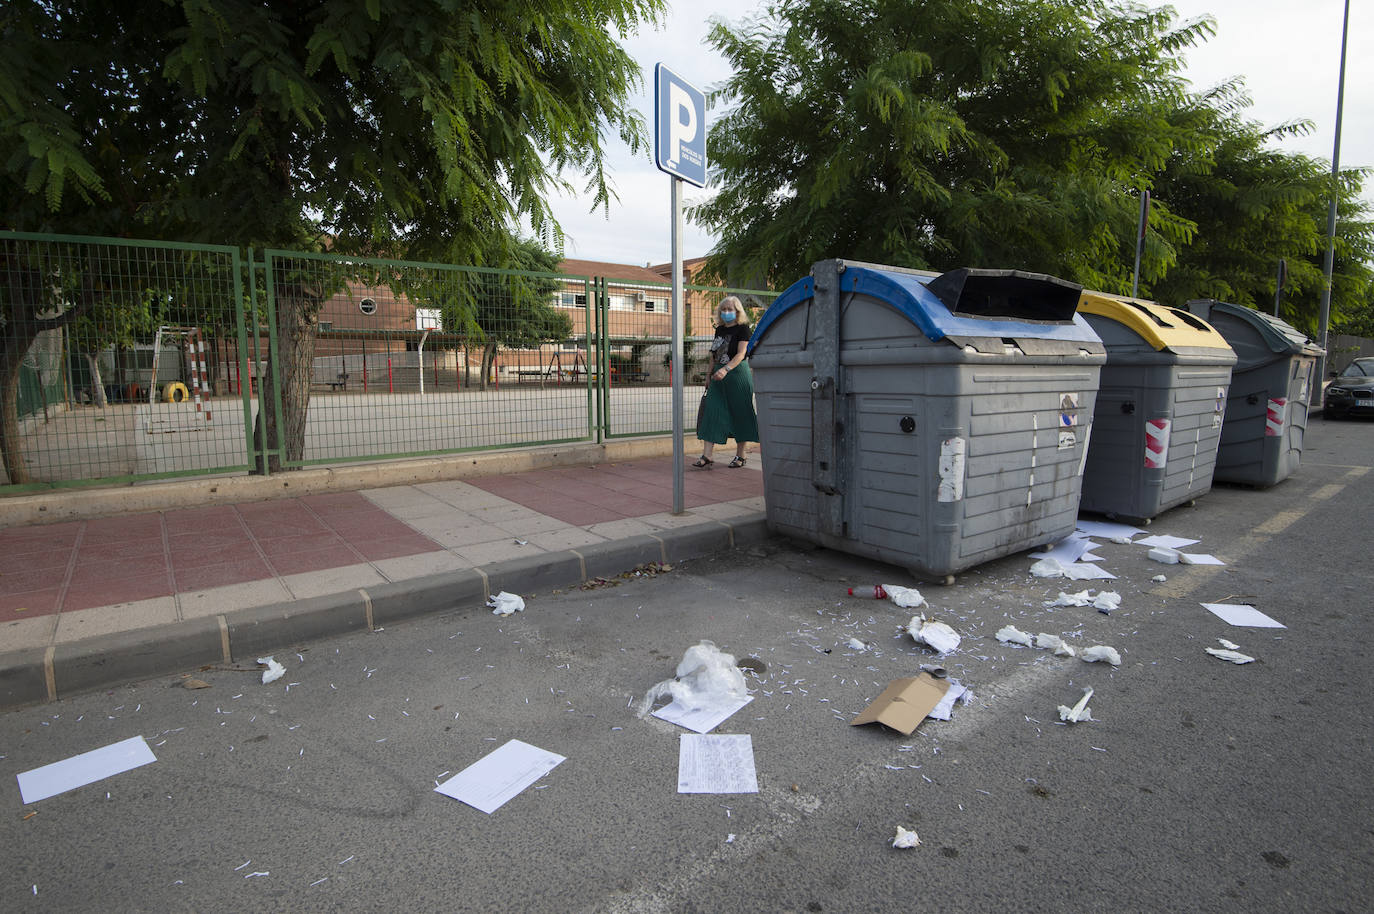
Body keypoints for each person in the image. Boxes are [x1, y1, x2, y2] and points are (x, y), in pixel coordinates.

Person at [694, 295, 759, 468]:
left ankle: (741, 455)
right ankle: (707, 456)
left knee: (741, 413)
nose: (726, 312)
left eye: (730, 309)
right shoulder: (719, 330)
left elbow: (741, 354)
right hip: (717, 376)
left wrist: (726, 369)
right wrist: (708, 375)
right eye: (724, 309)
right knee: (712, 412)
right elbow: (713, 355)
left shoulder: (743, 329)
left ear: (737, 311)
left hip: (737, 374)